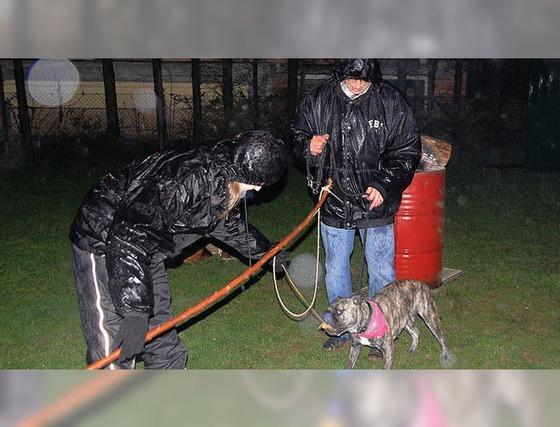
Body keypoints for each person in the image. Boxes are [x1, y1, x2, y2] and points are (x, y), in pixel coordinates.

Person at [69, 130, 288, 369]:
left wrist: (267, 253)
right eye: (259, 185)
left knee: (158, 329)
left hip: (147, 247)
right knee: (113, 340)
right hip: (103, 237)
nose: (256, 191)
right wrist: (134, 312)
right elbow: (129, 235)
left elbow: (226, 225)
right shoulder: (188, 178)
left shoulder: (221, 175)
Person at [292, 59, 421, 350]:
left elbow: (407, 149)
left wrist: (384, 184)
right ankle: (341, 330)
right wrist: (308, 147)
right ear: (341, 73)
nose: (359, 84)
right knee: (336, 268)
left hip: (375, 202)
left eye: (365, 80)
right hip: (335, 200)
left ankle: (381, 332)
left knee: (381, 270)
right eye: (353, 78)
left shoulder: (390, 101)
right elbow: (297, 137)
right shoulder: (319, 100)